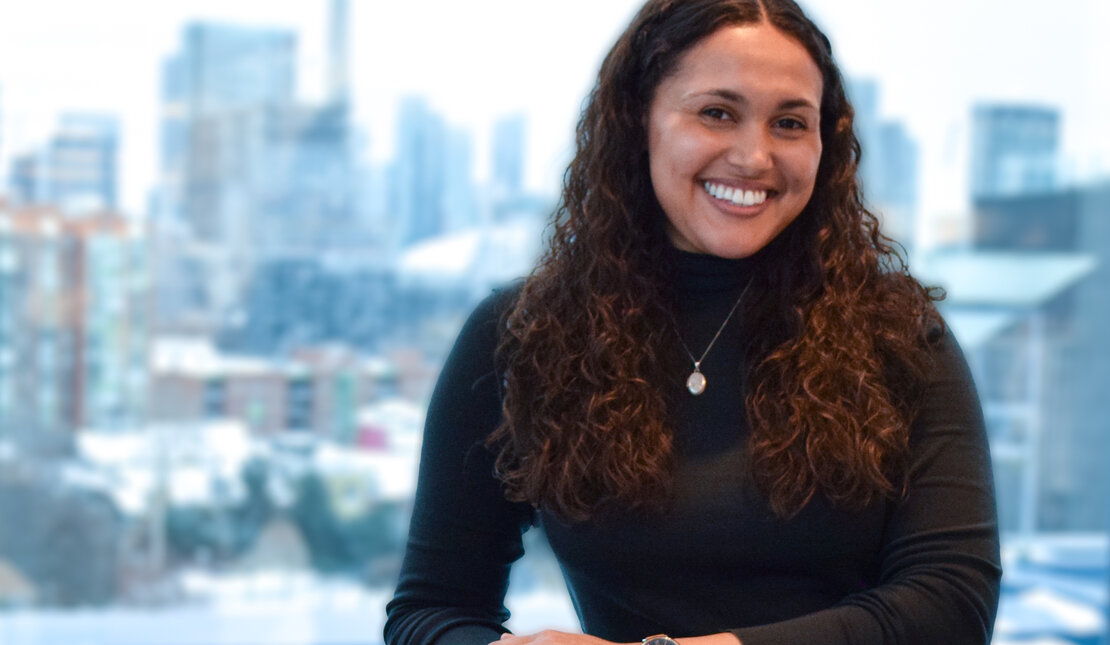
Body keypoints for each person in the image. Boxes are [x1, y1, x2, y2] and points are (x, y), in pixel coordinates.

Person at [384, 0, 1002, 644]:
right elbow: (429, 610)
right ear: (639, 121)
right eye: (717, 113)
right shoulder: (522, 334)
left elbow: (951, 605)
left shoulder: (898, 334)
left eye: (790, 122)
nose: (755, 157)